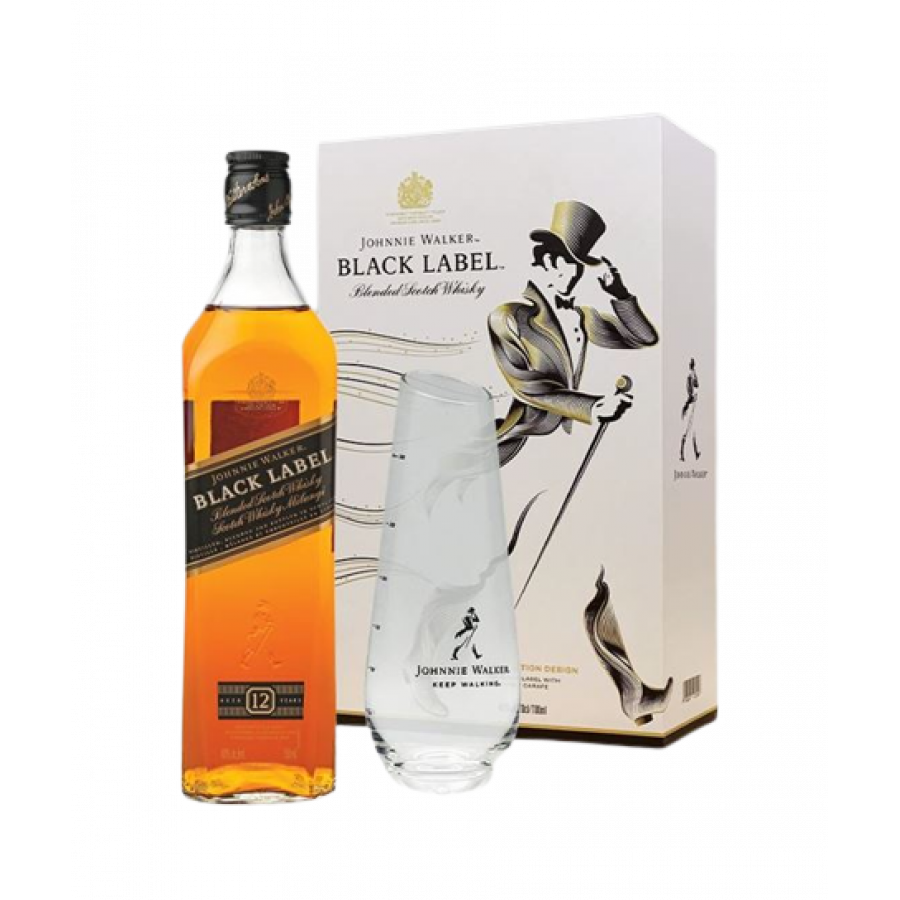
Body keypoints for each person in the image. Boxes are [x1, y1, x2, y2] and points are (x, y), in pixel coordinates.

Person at [489, 201, 659, 467]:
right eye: (569, 262)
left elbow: (644, 338)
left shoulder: (584, 317)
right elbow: (527, 386)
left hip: (567, 446)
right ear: (548, 261)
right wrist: (591, 407)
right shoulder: (510, 317)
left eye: (579, 265)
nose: (575, 274)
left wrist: (620, 293)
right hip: (522, 442)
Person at [681, 358, 701, 462]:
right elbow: (691, 392)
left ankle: (696, 452)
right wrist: (686, 405)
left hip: (693, 404)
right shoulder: (691, 376)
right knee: (688, 430)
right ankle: (682, 454)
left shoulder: (692, 374)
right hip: (692, 404)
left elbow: (695, 388)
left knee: (693, 430)